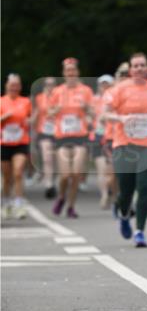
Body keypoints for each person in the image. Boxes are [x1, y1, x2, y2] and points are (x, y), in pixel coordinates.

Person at [104, 52, 147, 248]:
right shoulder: (119, 89)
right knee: (126, 188)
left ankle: (140, 231)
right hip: (124, 142)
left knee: (145, 186)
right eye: (135, 66)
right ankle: (123, 214)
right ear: (130, 70)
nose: (139, 69)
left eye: (142, 65)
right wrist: (121, 119)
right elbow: (105, 113)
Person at [48, 58, 94, 218]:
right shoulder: (57, 91)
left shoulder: (86, 91)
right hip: (62, 137)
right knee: (65, 175)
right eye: (68, 70)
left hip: (80, 137)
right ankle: (61, 197)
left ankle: (71, 206)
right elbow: (49, 113)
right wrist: (57, 110)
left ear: (77, 72)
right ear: (63, 73)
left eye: (73, 70)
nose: (71, 73)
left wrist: (86, 109)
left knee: (76, 174)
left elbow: (93, 113)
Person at [1, 73, 31, 219]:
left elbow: (32, 118)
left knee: (18, 172)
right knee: (7, 178)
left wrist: (29, 122)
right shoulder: (1, 101)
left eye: (17, 85)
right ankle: (6, 203)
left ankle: (19, 205)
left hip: (20, 142)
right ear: (6, 85)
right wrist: (4, 117)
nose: (14, 87)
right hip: (4, 143)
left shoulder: (25, 101)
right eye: (12, 84)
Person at [91, 74, 115, 208]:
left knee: (111, 171)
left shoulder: (115, 99)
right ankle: (104, 195)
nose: (104, 87)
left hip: (112, 136)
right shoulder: (93, 100)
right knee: (101, 169)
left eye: (107, 84)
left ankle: (111, 192)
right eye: (102, 84)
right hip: (97, 136)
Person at [33, 76, 57, 198]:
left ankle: (52, 178)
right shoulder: (39, 98)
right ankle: (49, 185)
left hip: (58, 131)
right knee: (47, 158)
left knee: (54, 158)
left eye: (52, 84)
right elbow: (37, 114)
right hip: (43, 131)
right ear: (44, 86)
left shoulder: (59, 97)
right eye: (47, 84)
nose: (50, 87)